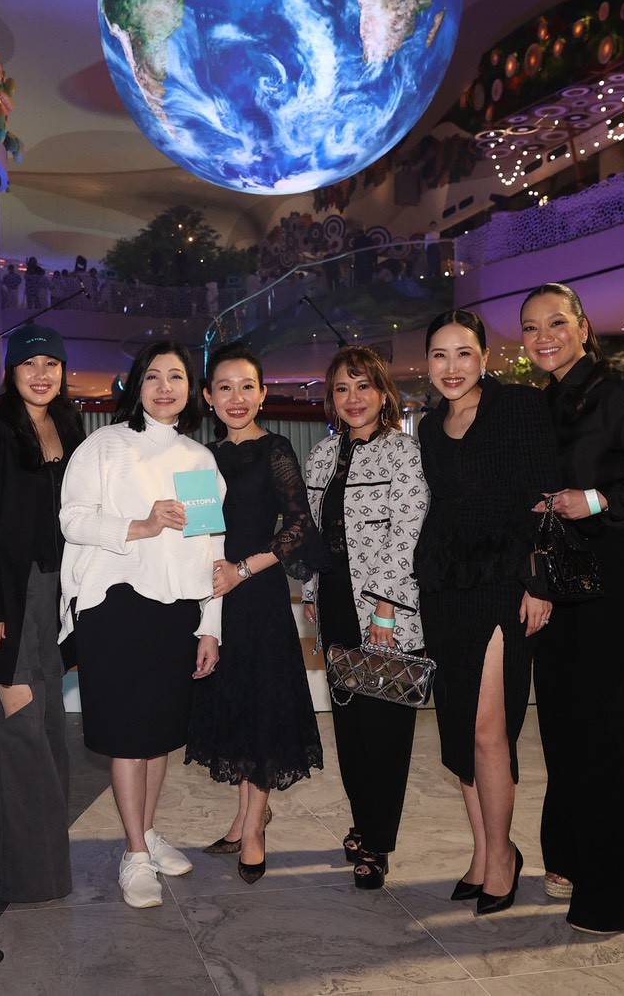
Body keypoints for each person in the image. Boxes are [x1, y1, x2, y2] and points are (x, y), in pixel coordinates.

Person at [519, 282, 624, 934]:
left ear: (583, 327)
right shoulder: (542, 400)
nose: (544, 336)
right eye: (531, 327)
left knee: (604, 726)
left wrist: (595, 498)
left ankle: (613, 893)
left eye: (556, 322)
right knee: (561, 720)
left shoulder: (618, 390)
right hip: (555, 573)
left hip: (609, 569)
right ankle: (567, 856)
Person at [58, 340, 224, 909]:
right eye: (153, 376)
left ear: (191, 390)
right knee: (129, 737)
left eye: (176, 376)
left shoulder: (198, 460)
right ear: (136, 385)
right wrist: (142, 524)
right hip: (115, 604)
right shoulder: (105, 445)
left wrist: (211, 625)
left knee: (158, 737)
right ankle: (133, 853)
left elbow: (211, 547)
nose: (164, 387)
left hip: (175, 610)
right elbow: (73, 520)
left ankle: (147, 833)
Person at [416, 309, 559, 916]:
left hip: (503, 584)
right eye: (440, 355)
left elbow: (544, 498)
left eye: (464, 353)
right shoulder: (429, 426)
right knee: (458, 729)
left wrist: (539, 582)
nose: (452, 367)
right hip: (444, 588)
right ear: (428, 363)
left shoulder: (519, 407)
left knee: (488, 729)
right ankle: (482, 853)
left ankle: (503, 856)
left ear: (484, 357)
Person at [0, 325, 84, 904]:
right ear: (11, 371)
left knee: (50, 731)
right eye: (30, 363)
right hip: (8, 599)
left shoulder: (71, 428)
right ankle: (29, 877)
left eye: (52, 363)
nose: (41, 374)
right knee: (20, 725)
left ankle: (50, 868)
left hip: (57, 597)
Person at [186, 342, 327, 884]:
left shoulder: (276, 449)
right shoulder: (200, 459)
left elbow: (299, 526)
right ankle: (247, 815)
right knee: (236, 705)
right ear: (208, 396)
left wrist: (242, 570)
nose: (237, 397)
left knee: (263, 706)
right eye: (225, 387)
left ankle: (254, 830)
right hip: (215, 596)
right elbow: (199, 535)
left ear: (263, 393)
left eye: (247, 386)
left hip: (258, 591)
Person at [301, 345, 428, 890]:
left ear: (383, 392)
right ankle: (363, 821)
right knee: (350, 726)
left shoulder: (404, 453)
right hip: (334, 602)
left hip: (382, 608)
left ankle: (378, 841)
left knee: (386, 730)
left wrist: (387, 608)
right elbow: (313, 535)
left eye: (363, 386)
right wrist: (311, 591)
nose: (353, 398)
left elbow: (408, 534)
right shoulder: (320, 457)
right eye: (342, 389)